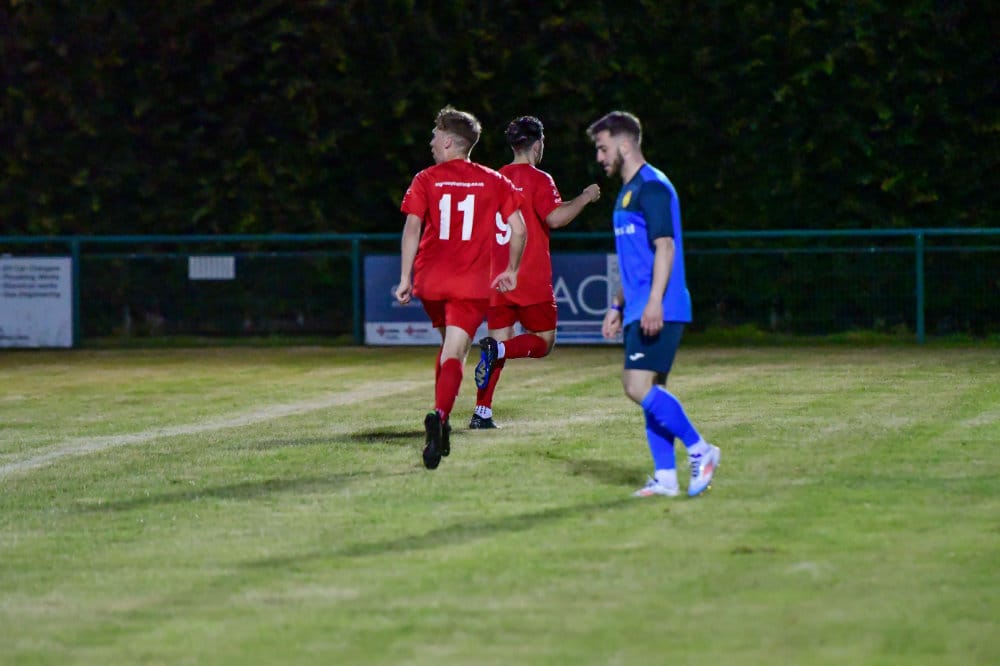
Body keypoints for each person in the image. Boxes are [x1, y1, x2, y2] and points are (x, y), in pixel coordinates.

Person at [587, 111, 720, 498]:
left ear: (625, 144)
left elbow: (665, 247)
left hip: (661, 306)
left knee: (636, 385)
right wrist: (617, 306)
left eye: (603, 148)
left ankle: (701, 450)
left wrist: (655, 303)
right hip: (639, 306)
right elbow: (636, 262)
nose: (599, 157)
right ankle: (666, 478)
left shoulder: (653, 186)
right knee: (651, 392)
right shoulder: (627, 192)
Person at [396, 106, 527, 470]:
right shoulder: (494, 180)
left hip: (431, 280)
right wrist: (512, 270)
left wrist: (405, 277)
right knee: (455, 350)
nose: (431, 141)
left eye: (435, 135)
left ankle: (442, 421)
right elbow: (519, 229)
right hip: (469, 283)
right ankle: (440, 414)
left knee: (446, 347)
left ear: (448, 142)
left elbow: (412, 227)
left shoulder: (426, 178)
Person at [471, 116, 601, 429]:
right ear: (538, 144)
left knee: (496, 347)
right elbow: (555, 218)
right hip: (528, 277)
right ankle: (499, 350)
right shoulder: (539, 179)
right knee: (543, 342)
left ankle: (481, 413)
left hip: (498, 278)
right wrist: (585, 197)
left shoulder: (495, 178)